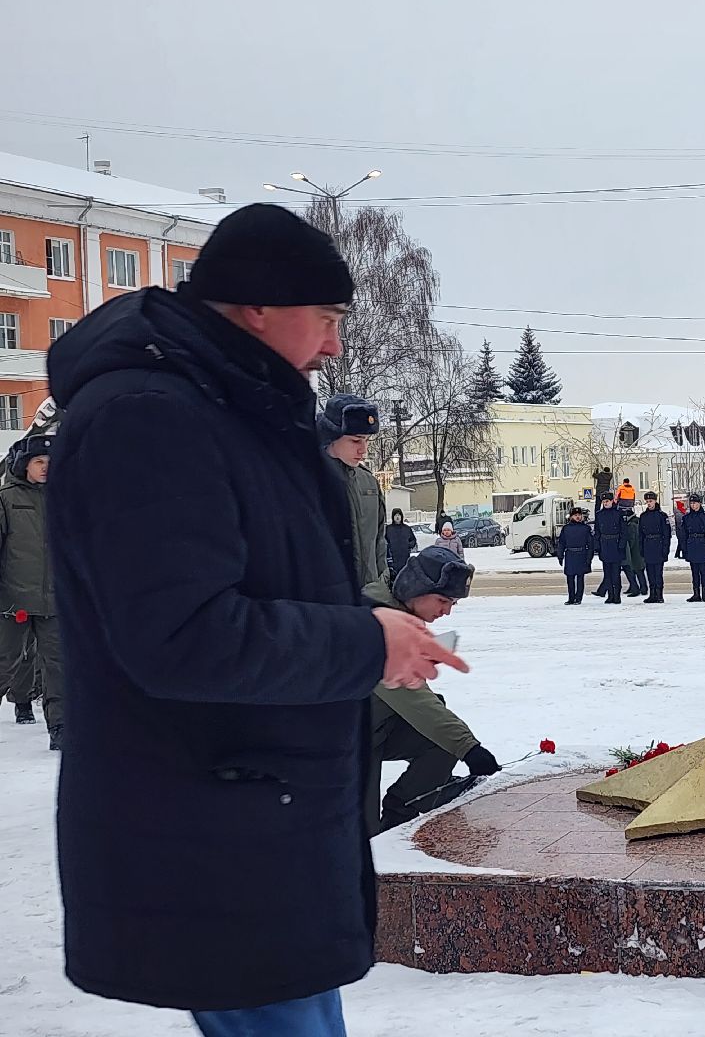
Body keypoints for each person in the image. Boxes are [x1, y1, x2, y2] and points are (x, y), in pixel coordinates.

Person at [46, 203, 465, 1034]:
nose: (336, 345)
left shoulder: (238, 406)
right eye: (328, 317)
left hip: (261, 821)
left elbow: (273, 581)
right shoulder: (151, 418)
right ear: (258, 305)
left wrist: (375, 629)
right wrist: (364, 640)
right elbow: (181, 635)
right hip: (213, 825)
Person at [365, 546, 499, 835]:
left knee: (440, 740)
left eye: (452, 603)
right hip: (341, 742)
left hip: (375, 729)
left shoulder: (401, 614)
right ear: (417, 589)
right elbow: (416, 701)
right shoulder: (378, 622)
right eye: (442, 600)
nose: (447, 611)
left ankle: (404, 805)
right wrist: (470, 749)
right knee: (360, 836)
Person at [0, 434, 62, 746]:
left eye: (49, 462)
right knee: (5, 661)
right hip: (13, 601)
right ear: (25, 464)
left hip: (54, 601)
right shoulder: (6, 499)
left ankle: (61, 728)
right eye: (39, 461)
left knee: (58, 667)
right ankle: (20, 702)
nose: (45, 467)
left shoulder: (63, 498)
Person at [320, 393, 386, 589]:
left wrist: (382, 589)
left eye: (367, 440)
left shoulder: (368, 482)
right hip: (325, 600)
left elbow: (379, 544)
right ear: (332, 437)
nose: (363, 450)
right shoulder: (308, 481)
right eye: (356, 441)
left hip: (370, 596)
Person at [675, 493, 705, 602]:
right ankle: (696, 594)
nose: (693, 505)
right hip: (691, 545)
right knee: (694, 572)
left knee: (703, 571)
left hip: (702, 544)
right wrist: (684, 548)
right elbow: (683, 535)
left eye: (695, 503)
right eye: (692, 503)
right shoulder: (687, 518)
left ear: (700, 503)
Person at [557, 506, 595, 605]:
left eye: (579, 515)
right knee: (570, 578)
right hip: (570, 554)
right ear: (571, 517)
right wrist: (560, 556)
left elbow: (590, 545)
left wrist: (589, 558)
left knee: (580, 578)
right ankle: (571, 598)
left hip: (582, 554)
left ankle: (578, 598)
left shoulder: (586, 528)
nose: (577, 517)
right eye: (575, 515)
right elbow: (561, 543)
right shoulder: (566, 528)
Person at [639, 492, 672, 603]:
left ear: (655, 501)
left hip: (658, 545)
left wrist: (665, 549)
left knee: (658, 573)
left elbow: (667, 534)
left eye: (651, 501)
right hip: (648, 546)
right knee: (650, 573)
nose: (649, 503)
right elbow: (640, 535)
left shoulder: (662, 516)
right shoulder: (643, 516)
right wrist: (641, 549)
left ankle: (659, 595)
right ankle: (652, 594)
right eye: (647, 502)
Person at [594, 492, 625, 605]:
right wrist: (597, 546)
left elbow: (623, 531)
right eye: (604, 501)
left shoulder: (618, 513)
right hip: (605, 546)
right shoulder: (599, 514)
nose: (605, 503)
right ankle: (610, 595)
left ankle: (617, 596)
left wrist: (621, 545)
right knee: (607, 574)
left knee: (616, 574)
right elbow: (597, 532)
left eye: (607, 501)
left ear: (612, 501)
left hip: (615, 545)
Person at [621, 508, 649, 597]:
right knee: (638, 570)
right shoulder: (637, 521)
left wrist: (628, 548)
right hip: (639, 550)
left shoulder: (631, 524)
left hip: (634, 552)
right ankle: (639, 587)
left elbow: (631, 539)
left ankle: (642, 588)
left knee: (637, 570)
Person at [386, 509, 418, 580]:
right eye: (395, 515)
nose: (397, 517)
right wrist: (389, 547)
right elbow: (384, 541)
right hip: (393, 557)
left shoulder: (406, 528)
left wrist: (408, 546)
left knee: (404, 576)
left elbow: (413, 540)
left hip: (404, 556)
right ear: (393, 517)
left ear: (401, 516)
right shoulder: (388, 529)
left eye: (399, 515)